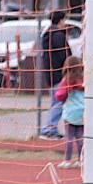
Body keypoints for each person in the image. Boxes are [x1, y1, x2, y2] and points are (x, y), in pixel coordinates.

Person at [38, 10, 70, 140]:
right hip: (58, 73)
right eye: (64, 20)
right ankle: (49, 128)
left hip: (51, 73)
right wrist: (68, 67)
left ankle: (51, 128)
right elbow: (63, 55)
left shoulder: (48, 34)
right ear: (61, 20)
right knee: (59, 102)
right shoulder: (57, 36)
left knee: (56, 102)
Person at [56, 55, 85, 169]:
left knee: (69, 137)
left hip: (70, 112)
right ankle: (81, 160)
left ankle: (67, 160)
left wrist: (65, 92)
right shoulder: (83, 80)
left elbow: (60, 95)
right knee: (80, 137)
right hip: (82, 111)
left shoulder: (67, 81)